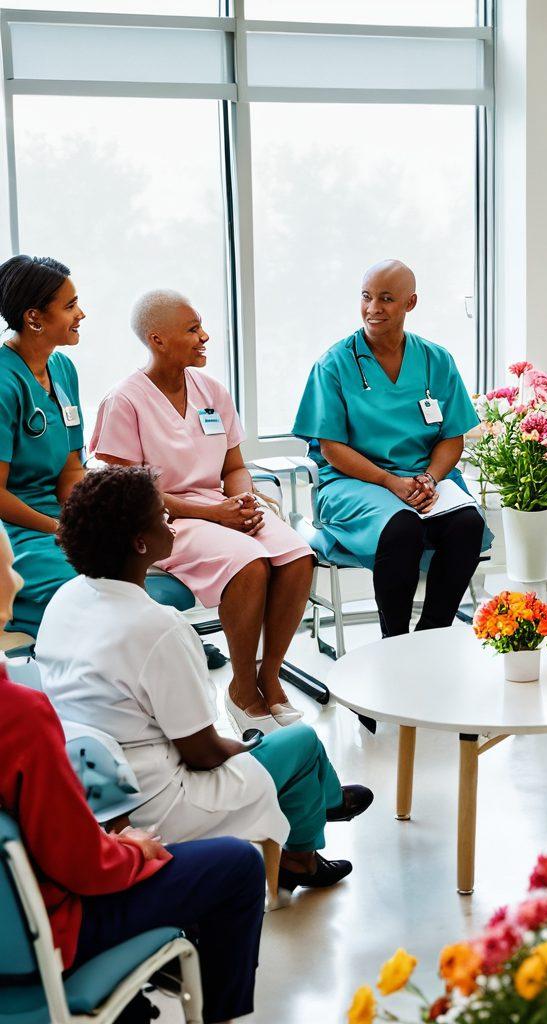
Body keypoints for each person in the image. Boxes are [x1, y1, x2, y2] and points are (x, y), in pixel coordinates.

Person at [35, 466, 372, 893]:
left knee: (292, 755)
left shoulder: (65, 600)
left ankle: (323, 807)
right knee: (301, 743)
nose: (171, 521)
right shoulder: (158, 628)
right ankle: (304, 852)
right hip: (162, 804)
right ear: (140, 544)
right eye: (161, 515)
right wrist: (246, 744)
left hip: (99, 792)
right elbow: (203, 755)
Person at [0, 521, 266, 1024]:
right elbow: (82, 866)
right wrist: (128, 848)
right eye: (8, 568)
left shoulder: (67, 610)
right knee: (237, 867)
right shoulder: (18, 715)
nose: (17, 579)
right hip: (36, 935)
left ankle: (134, 1003)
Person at [91, 290, 315, 734]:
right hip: (161, 520)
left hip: (220, 508)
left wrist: (243, 498)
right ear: (157, 339)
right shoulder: (125, 400)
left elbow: (233, 466)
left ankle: (269, 678)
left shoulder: (211, 390)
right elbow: (130, 492)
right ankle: (241, 690)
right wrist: (216, 516)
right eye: (192, 330)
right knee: (248, 563)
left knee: (296, 555)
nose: (204, 336)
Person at [293, 259, 490, 637]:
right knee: (402, 527)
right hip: (352, 481)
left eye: (386, 299)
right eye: (366, 297)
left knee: (467, 524)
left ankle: (433, 632)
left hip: (423, 479)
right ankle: (395, 639)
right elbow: (331, 448)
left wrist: (430, 478)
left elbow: (452, 437)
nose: (373, 308)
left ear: (410, 303)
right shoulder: (334, 364)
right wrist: (388, 482)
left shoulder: (436, 360)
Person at [0, 255, 85, 636]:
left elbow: (71, 470)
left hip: (55, 518)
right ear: (34, 318)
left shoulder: (63, 368)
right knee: (84, 595)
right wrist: (57, 527)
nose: (81, 313)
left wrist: (86, 520)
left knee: (116, 575)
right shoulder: (4, 381)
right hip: (10, 528)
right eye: (69, 306)